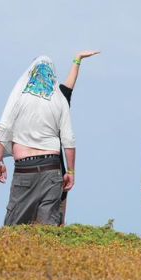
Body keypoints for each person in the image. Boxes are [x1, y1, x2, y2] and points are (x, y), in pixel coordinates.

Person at [0, 56, 75, 226]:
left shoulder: (19, 95)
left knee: (14, 229)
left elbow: (4, 128)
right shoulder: (59, 98)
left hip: (26, 168)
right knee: (48, 231)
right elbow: (68, 139)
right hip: (52, 169)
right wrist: (71, 171)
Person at [56, 50, 100, 223]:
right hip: (53, 166)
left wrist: (77, 60)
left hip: (45, 166)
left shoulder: (54, 99)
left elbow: (68, 87)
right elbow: (67, 87)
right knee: (55, 220)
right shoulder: (56, 100)